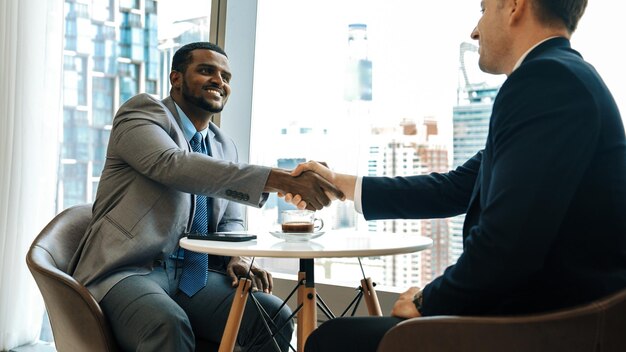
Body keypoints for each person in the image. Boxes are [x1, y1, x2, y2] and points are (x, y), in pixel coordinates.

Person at [286, 0, 626, 351]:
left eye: (482, 9)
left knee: (331, 340)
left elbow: (505, 245)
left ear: (513, 6)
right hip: (549, 313)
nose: (474, 30)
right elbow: (453, 188)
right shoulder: (559, 78)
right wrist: (337, 182)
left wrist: (426, 303)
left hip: (552, 326)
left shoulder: (547, 82)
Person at [68, 42, 343, 352]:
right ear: (176, 78)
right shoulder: (142, 114)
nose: (219, 81)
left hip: (195, 278)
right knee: (167, 323)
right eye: (206, 71)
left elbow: (231, 220)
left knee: (271, 315)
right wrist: (278, 180)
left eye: (225, 76)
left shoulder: (224, 145)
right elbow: (173, 165)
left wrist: (235, 257)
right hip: (130, 270)